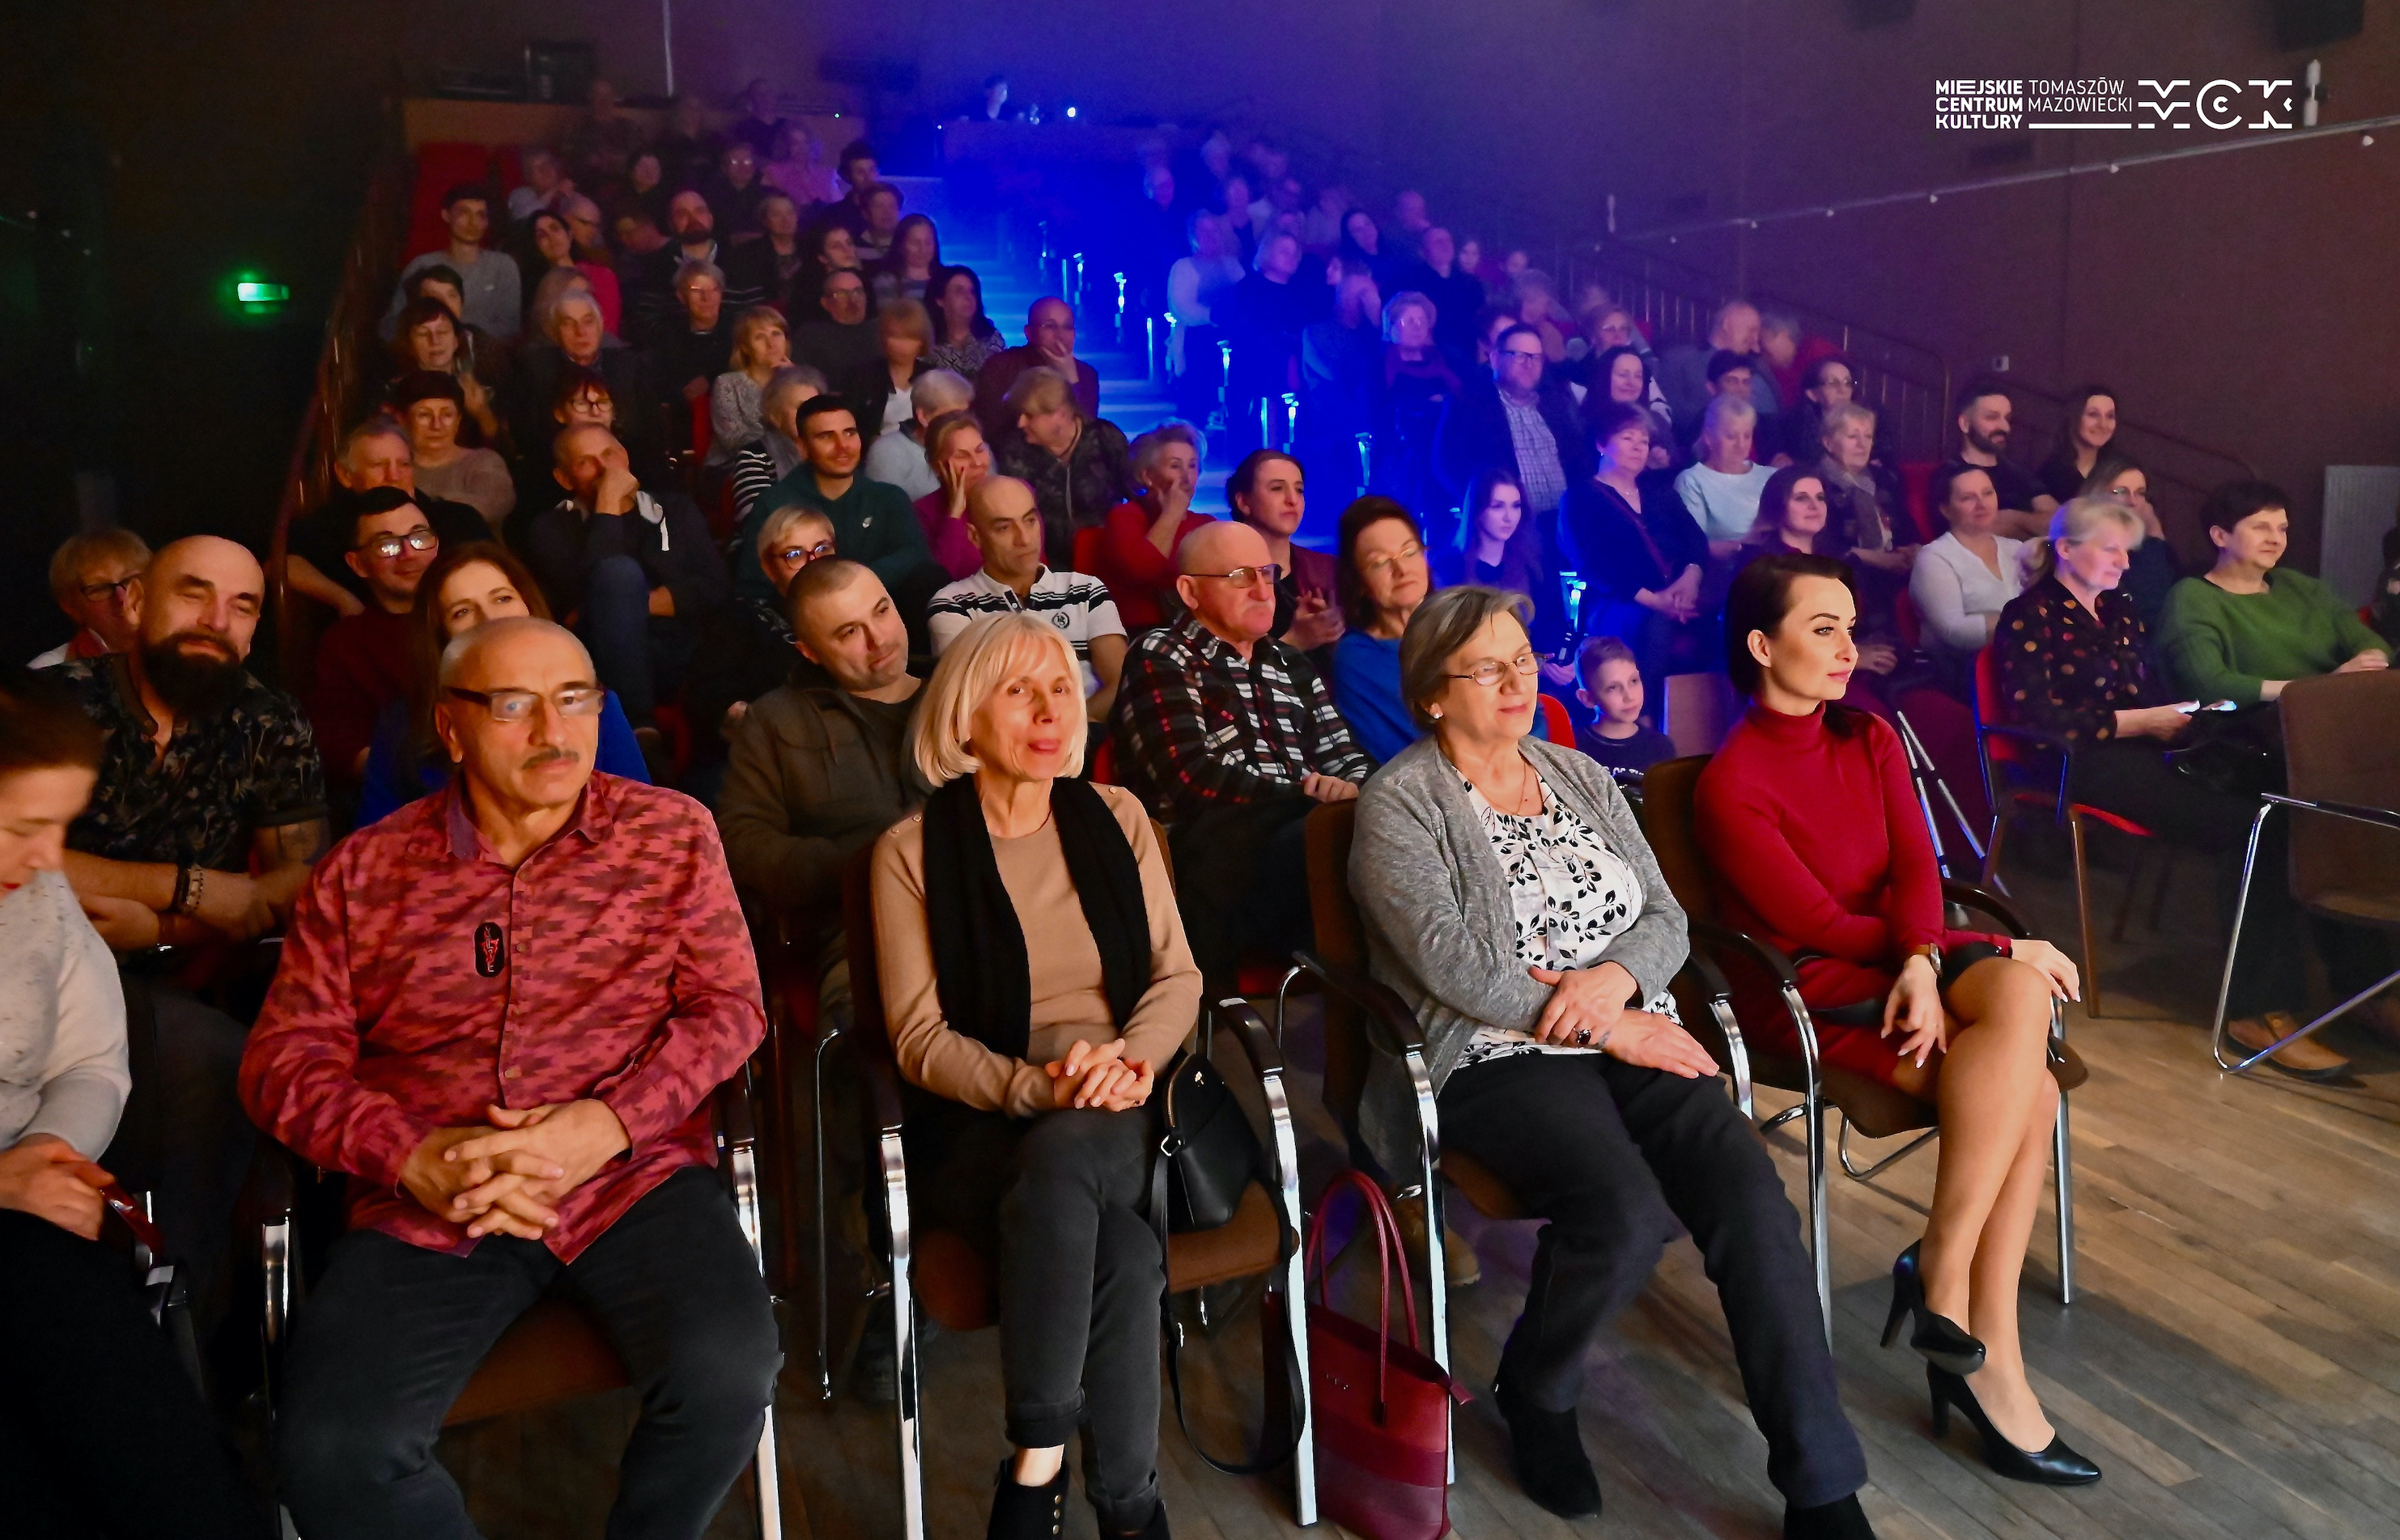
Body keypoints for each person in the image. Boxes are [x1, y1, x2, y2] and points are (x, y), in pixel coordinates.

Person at [1346, 585, 1877, 1534]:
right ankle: (1537, 1386)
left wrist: (1619, 985)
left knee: (1749, 1195)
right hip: (1494, 1054)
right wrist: (1607, 1024)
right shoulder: (1398, 803)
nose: (1517, 681)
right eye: (1487, 668)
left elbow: (1664, 915)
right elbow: (1453, 965)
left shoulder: (1577, 770)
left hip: (1630, 1024)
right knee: (1624, 1213)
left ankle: (1822, 1484)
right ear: (1431, 694)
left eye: (1521, 658)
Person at [243, 616, 779, 1538]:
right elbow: (282, 1060)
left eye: (574, 700)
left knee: (727, 1377)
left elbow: (729, 1009)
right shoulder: (364, 871)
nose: (552, 732)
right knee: (335, 1451)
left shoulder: (670, 834)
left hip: (630, 1178)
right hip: (436, 1193)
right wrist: (412, 1155)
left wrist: (604, 1125)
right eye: (512, 706)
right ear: (449, 728)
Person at [1697, 552, 2100, 1491]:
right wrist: (1980, 947)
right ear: (1761, 646)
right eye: (1821, 629)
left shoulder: (1868, 734)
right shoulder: (1730, 782)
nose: (1847, 647)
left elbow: (1919, 864)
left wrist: (1927, 957)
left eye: (1849, 626)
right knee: (2032, 1091)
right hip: (1808, 990)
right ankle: (1982, 1349)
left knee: (2020, 999)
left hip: (1898, 957)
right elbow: (1818, 925)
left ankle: (1945, 1279)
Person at [872, 612, 1199, 1540]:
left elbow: (1177, 976)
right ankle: (1130, 1510)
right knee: (1121, 1256)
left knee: (1064, 1162)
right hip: (984, 1122)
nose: (1052, 711)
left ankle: (1033, 1471)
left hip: (1124, 1102)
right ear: (964, 717)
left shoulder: (1119, 817)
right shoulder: (911, 851)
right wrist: (1037, 1086)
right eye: (1019, 692)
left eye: (1062, 687)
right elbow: (919, 1039)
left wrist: (1128, 1062)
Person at [0, 665, 267, 1540]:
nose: (49, 857)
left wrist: (40, 1153)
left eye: (62, 827)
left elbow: (92, 1058)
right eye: (23, 827)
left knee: (145, 1440)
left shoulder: (36, 895)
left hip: (31, 1213)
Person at [57, 537, 328, 1326]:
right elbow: (18, 851)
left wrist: (160, 924)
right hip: (38, 973)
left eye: (242, 605)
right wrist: (190, 890)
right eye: (194, 593)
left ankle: (168, 1326)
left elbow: (300, 883)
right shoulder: (52, 705)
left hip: (176, 988)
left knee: (215, 1069)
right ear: (136, 602)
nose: (216, 619)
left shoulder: (269, 721)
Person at [1994, 498, 2355, 1080]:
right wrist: (2143, 722)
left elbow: (2148, 694)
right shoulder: (2029, 615)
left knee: (2295, 804)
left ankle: (2357, 983)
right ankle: (2256, 1012)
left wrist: (2188, 715)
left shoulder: (2118, 609)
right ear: (2065, 549)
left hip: (2142, 746)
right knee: (2251, 828)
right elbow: (2039, 718)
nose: (2122, 561)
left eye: (2126, 551)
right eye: (2110, 548)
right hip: (2075, 761)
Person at [1112, 520, 1371, 985]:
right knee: (1340, 839)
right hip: (1215, 853)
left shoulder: (1292, 663)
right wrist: (1307, 794)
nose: (1262, 590)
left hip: (1305, 834)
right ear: (1190, 592)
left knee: (1394, 826)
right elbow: (1191, 778)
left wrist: (1358, 790)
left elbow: (1344, 753)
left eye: (1267, 574)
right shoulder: (1162, 654)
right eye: (1240, 577)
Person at [719, 555, 925, 1007]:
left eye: (882, 611)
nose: (879, 639)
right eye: (849, 632)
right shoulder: (775, 720)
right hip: (863, 930)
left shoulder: (959, 691)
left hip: (990, 907)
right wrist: (856, 867)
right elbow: (741, 839)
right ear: (809, 651)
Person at [359, 542, 648, 827]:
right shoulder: (402, 724)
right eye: (462, 612)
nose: (491, 619)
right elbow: (376, 842)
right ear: (441, 636)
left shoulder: (594, 701)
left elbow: (641, 815)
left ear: (528, 605)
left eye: (502, 599)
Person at [524, 424, 729, 730]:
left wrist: (623, 603)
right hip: (598, 658)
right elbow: (584, 598)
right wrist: (608, 503)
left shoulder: (676, 509)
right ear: (565, 479)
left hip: (679, 650)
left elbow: (715, 586)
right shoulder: (550, 529)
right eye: (586, 462)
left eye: (609, 455)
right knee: (618, 573)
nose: (605, 469)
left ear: (625, 456)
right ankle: (639, 726)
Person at [2157, 480, 2389, 704]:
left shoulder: (2301, 586)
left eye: (2282, 529)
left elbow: (2367, 640)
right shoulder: (2193, 597)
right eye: (2260, 528)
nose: (2276, 540)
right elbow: (2209, 685)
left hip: (2334, 708)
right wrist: (2321, 687)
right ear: (2220, 536)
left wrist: (2369, 661)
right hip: (2253, 723)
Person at [928, 477, 1128, 723]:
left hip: (1092, 734)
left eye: (1030, 520)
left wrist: (1068, 733)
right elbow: (973, 702)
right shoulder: (953, 606)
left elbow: (1121, 681)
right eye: (1004, 528)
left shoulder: (1086, 589)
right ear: (975, 536)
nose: (1024, 538)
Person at [1562, 402, 1710, 718]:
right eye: (1628, 438)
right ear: (1602, 444)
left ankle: (1705, 720)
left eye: (1644, 441)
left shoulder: (1660, 492)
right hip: (1614, 602)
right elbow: (1591, 565)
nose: (1639, 447)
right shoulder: (1580, 497)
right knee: (1653, 624)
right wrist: (1655, 601)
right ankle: (1642, 722)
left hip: (1676, 594)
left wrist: (1690, 580)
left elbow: (1695, 539)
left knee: (1722, 618)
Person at [682, 507, 840, 797]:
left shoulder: (860, 613)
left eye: (822, 549)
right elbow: (706, 695)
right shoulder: (740, 618)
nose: (813, 563)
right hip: (759, 758)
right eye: (795, 555)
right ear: (769, 568)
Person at [282, 419, 491, 617]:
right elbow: (281, 561)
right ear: (345, 475)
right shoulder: (330, 526)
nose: (394, 476)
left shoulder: (459, 519)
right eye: (378, 465)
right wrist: (343, 599)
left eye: (404, 464)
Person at [307, 488, 443, 787]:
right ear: (357, 563)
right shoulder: (347, 642)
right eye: (387, 545)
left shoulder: (471, 612)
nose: (409, 554)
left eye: (419, 537)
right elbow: (340, 744)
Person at [748, 395, 939, 607]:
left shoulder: (888, 498)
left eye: (849, 433)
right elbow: (753, 587)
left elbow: (915, 555)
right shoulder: (774, 504)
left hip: (879, 609)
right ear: (802, 448)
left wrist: (853, 582)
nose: (842, 446)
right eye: (826, 437)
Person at [1435, 322, 1588, 535]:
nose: (1529, 364)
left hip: (1565, 523)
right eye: (1519, 356)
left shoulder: (1556, 404)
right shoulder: (1468, 404)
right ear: (1495, 360)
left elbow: (1579, 460)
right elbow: (1447, 464)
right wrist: (1488, 507)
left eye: (1536, 357)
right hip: (1512, 527)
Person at [1328, 497, 1435, 763]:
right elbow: (1397, 759)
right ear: (1359, 582)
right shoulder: (1358, 658)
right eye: (1379, 562)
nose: (1401, 569)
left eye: (1409, 552)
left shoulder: (1467, 626)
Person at [995, 367, 1135, 570]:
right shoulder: (1015, 450)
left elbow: (1134, 497)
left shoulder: (1106, 438)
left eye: (1030, 415)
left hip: (1107, 561)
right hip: (1043, 568)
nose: (1021, 423)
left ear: (1060, 414)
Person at [507, 288, 655, 478]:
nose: (581, 332)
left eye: (588, 322)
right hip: (559, 473)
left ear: (601, 325)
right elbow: (529, 439)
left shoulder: (628, 366)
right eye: (568, 324)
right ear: (553, 331)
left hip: (629, 468)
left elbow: (648, 434)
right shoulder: (535, 370)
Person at [1910, 462, 2028, 694]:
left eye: (1988, 493)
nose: (1982, 504)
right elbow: (1954, 632)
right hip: (1965, 676)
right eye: (1968, 498)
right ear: (1946, 509)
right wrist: (2021, 619)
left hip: (2021, 662)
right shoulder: (1934, 558)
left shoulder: (2016, 549)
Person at [1094, 423, 1215, 632]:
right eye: (1175, 466)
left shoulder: (1205, 524)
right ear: (1148, 476)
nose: (1187, 478)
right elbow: (1142, 572)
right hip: (1140, 632)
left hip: (1199, 630)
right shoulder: (1125, 516)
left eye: (1193, 466)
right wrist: (1172, 514)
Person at [1433, 467, 1562, 655]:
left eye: (1516, 506)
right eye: (1498, 506)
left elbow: (1553, 621)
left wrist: (1547, 658)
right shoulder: (1449, 568)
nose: (1509, 517)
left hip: (1529, 662)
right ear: (1477, 510)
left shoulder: (1534, 563)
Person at [386, 184, 521, 342]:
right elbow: (393, 323)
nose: (473, 222)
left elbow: (509, 326)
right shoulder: (422, 265)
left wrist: (458, 336)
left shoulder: (502, 266)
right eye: (464, 213)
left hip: (483, 351)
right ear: (446, 215)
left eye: (481, 215)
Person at [1221, 231, 1313, 452]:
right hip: (1256, 368)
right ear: (1268, 253)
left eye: (1294, 253)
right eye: (1284, 252)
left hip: (1296, 366)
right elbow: (1245, 330)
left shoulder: (1301, 292)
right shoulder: (1247, 289)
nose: (1291, 258)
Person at [393, 369, 514, 530]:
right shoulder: (392, 469)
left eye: (447, 415)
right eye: (424, 415)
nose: (437, 426)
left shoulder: (484, 462)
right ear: (402, 420)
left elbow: (485, 508)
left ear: (458, 419)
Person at [1817, 401, 1915, 586]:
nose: (1862, 445)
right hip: (1845, 575)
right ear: (1828, 443)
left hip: (1896, 568)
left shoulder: (1884, 477)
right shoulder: (1816, 483)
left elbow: (1906, 524)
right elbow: (1823, 544)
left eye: (1868, 436)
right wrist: (1876, 558)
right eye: (1853, 436)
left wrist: (1915, 549)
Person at [974, 298, 1102, 439]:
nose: (1060, 335)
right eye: (1050, 326)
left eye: (1067, 327)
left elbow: (1087, 436)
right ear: (1029, 332)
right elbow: (992, 431)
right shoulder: (1000, 367)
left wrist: (1071, 380)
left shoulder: (1086, 374)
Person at [387, 294, 504, 447]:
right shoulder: (396, 392)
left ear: (456, 341)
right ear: (409, 345)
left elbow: (504, 449)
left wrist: (481, 412)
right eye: (423, 334)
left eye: (442, 332)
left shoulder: (478, 385)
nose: (435, 341)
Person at [2078, 453, 2178, 626]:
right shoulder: (2080, 548)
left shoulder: (2152, 550)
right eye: (2120, 492)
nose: (2132, 501)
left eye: (2140, 493)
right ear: (2096, 493)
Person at [1166, 210, 1245, 422]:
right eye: (1204, 231)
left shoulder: (1232, 266)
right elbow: (1182, 307)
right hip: (1197, 341)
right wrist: (1215, 315)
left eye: (1214, 231)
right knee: (1196, 401)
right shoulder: (1183, 267)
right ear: (1192, 236)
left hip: (1230, 339)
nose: (1210, 236)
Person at [1676, 395, 1778, 558]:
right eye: (1731, 436)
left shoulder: (1772, 476)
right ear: (1709, 438)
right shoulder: (1692, 481)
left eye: (1747, 436)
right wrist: (1745, 544)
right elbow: (1694, 548)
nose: (1741, 445)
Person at [33, 528, 150, 668]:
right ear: (71, 607)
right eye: (100, 588)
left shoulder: (174, 653)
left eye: (131, 580)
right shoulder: (48, 672)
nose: (122, 598)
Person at [728, 363, 827, 527]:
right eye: (801, 407)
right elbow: (759, 522)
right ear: (775, 416)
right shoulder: (754, 456)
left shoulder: (830, 451)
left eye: (816, 407)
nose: (811, 415)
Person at [1951, 380, 2054, 537]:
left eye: (2007, 418)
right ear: (1965, 424)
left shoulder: (2019, 473)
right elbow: (1972, 536)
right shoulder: (1951, 474)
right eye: (1992, 417)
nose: (2005, 427)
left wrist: (2014, 518)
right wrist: (2031, 525)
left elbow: (2061, 523)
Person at [654, 261, 733, 448]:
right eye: (697, 291)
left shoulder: (738, 331)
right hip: (682, 425)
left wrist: (710, 381)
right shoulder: (667, 335)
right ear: (681, 296)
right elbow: (659, 383)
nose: (707, 298)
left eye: (713, 289)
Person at [864, 367, 974, 502]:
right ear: (924, 416)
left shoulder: (976, 445)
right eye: (951, 416)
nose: (961, 424)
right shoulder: (887, 452)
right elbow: (884, 509)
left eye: (965, 414)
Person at [1573, 634, 1676, 774]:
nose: (1629, 696)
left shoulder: (1661, 747)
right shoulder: (1572, 746)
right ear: (1588, 698)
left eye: (1634, 681)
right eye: (1613, 688)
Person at [629, 189, 721, 345]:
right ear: (671, 224)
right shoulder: (655, 267)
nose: (693, 219)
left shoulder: (740, 261)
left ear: (710, 218)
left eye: (699, 211)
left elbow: (752, 315)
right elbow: (645, 322)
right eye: (682, 214)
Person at [915, 409, 996, 582]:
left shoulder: (1012, 496)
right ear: (938, 466)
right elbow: (938, 582)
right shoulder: (922, 513)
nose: (978, 463)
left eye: (980, 450)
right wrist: (954, 515)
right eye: (962, 456)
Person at [1654, 299, 1760, 431]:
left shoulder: (1753, 368)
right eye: (1751, 330)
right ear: (1727, 325)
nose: (1755, 339)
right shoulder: (1680, 360)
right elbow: (1668, 410)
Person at [708, 304, 793, 465]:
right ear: (745, 348)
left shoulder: (799, 383)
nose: (771, 343)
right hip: (739, 463)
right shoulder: (727, 384)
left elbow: (816, 426)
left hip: (792, 462)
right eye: (760, 337)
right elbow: (735, 439)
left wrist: (794, 381)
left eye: (776, 334)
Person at [849, 298, 936, 445]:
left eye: (910, 337)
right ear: (884, 338)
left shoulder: (933, 378)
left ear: (922, 340)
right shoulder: (863, 376)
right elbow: (852, 424)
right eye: (895, 337)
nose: (901, 346)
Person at [724, 190, 808, 314]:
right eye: (776, 214)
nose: (786, 219)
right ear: (765, 220)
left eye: (790, 212)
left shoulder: (809, 249)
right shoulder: (748, 254)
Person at [792, 266, 880, 384]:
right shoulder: (811, 335)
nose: (853, 299)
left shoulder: (881, 329)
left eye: (858, 291)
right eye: (842, 294)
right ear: (826, 303)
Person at [2037, 386, 2118, 506]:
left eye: (2110, 416)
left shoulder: (2117, 470)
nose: (2103, 424)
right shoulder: (2051, 474)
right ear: (2074, 417)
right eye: (2093, 414)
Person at [563, 76, 643, 190]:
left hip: (626, 187)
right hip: (589, 188)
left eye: (608, 95)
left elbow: (642, 157)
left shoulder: (629, 127)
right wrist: (590, 161)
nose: (604, 100)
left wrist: (621, 160)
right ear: (590, 97)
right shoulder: (577, 128)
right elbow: (567, 161)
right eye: (599, 95)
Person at [927, 265, 1005, 380]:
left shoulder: (992, 339)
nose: (968, 297)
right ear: (940, 300)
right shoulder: (927, 341)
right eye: (959, 291)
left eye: (972, 292)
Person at [701, 141, 767, 241]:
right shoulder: (711, 196)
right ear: (724, 168)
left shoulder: (766, 195)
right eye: (735, 162)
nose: (742, 166)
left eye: (747, 161)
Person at [762, 119, 837, 206]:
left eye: (806, 142)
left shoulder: (826, 174)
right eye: (795, 143)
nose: (802, 148)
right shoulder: (773, 172)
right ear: (786, 145)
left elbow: (837, 205)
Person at [873, 213, 941, 306]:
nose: (923, 249)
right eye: (915, 243)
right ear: (901, 245)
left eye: (928, 243)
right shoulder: (886, 282)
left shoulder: (948, 279)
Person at [728, 78, 789, 156]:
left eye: (768, 92)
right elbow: (746, 155)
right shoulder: (745, 127)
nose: (765, 97)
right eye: (758, 94)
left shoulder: (786, 124)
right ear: (751, 99)